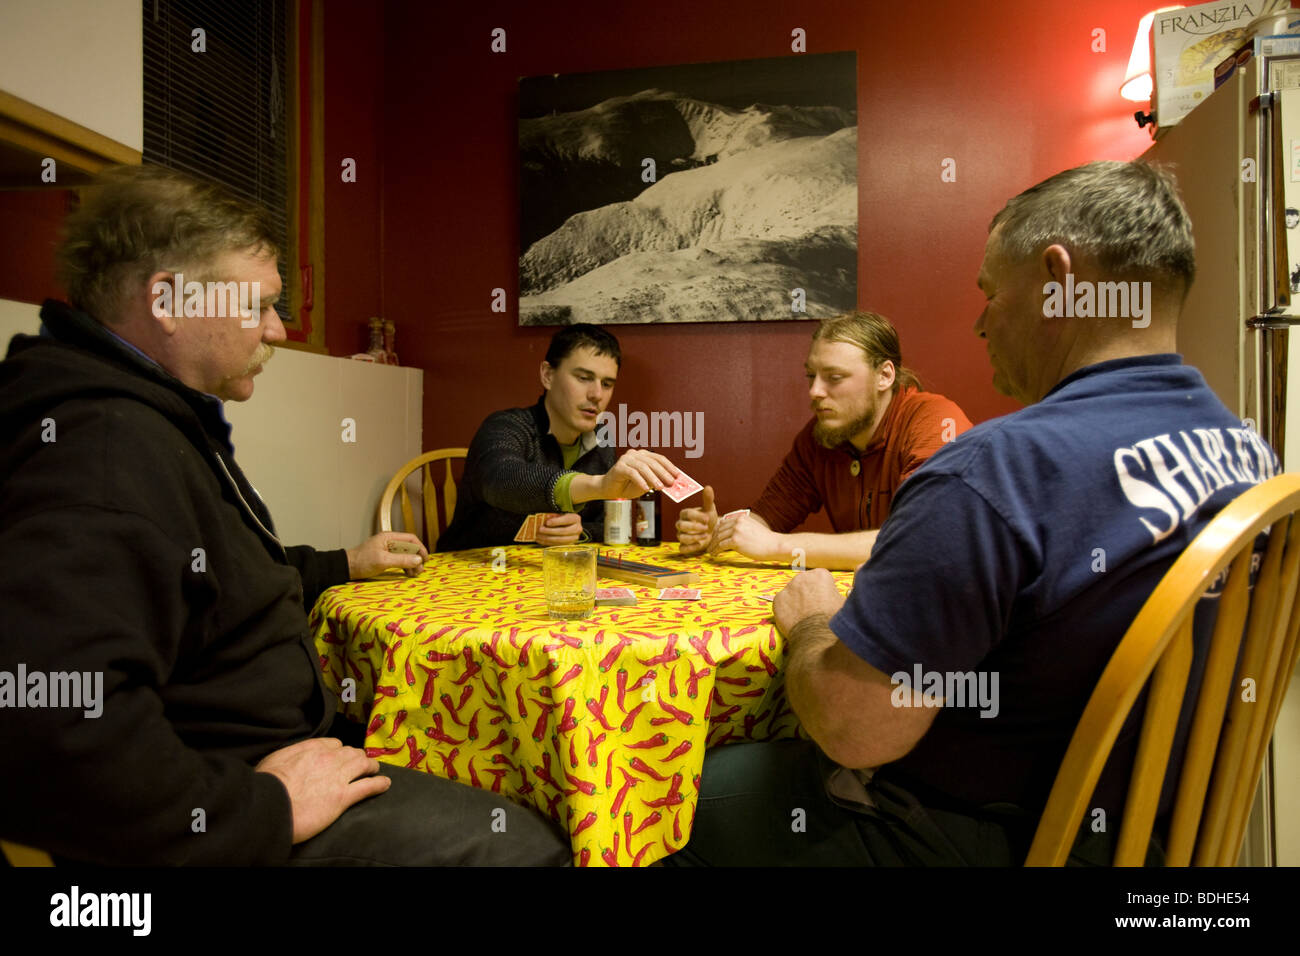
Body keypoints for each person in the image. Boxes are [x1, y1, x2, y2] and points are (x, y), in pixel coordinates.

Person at [667, 159, 1279, 866]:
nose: (982, 323)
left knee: (686, 795)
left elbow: (855, 729)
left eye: (992, 293)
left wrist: (809, 620)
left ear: (1060, 282)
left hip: (1003, 838)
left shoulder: (996, 471)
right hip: (1166, 839)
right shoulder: (1248, 452)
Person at [0, 164, 570, 865]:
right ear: (168, 301)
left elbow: (213, 578)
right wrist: (260, 810)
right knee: (528, 848)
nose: (277, 329)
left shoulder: (151, 418)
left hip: (286, 752)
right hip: (237, 806)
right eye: (260, 305)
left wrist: (340, 565)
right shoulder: (104, 450)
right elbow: (47, 725)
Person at [675, 311, 972, 569]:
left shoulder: (936, 421)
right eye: (811, 376)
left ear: (884, 375)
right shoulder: (820, 435)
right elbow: (767, 519)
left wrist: (775, 546)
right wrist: (724, 532)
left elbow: (922, 538)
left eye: (834, 377)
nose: (815, 391)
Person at [437, 324, 681, 551]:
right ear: (547, 375)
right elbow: (501, 481)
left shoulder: (601, 437)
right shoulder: (506, 427)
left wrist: (579, 532)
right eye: (583, 378)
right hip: (472, 572)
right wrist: (598, 486)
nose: (597, 394)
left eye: (607, 384)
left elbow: (604, 524)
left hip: (547, 579)